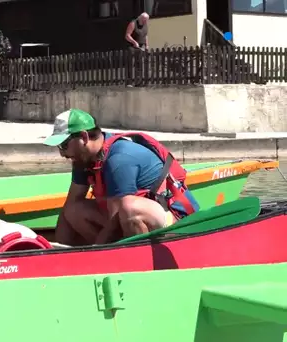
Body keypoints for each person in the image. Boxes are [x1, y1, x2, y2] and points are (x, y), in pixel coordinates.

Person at [43, 108, 200, 245]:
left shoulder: (119, 159)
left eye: (64, 145)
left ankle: (136, 261)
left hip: (177, 221)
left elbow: (114, 221)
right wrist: (55, 250)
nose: (62, 153)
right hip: (125, 218)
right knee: (73, 210)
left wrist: (96, 252)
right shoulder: (82, 159)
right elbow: (69, 208)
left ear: (84, 138)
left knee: (129, 208)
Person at [125, 12, 149, 86]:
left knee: (139, 65)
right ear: (140, 18)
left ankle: (138, 82)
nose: (145, 21)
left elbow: (146, 36)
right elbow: (127, 35)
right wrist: (134, 42)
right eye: (144, 20)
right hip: (132, 46)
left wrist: (147, 45)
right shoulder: (133, 23)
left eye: (147, 20)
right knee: (130, 64)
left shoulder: (145, 25)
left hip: (140, 47)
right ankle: (129, 82)